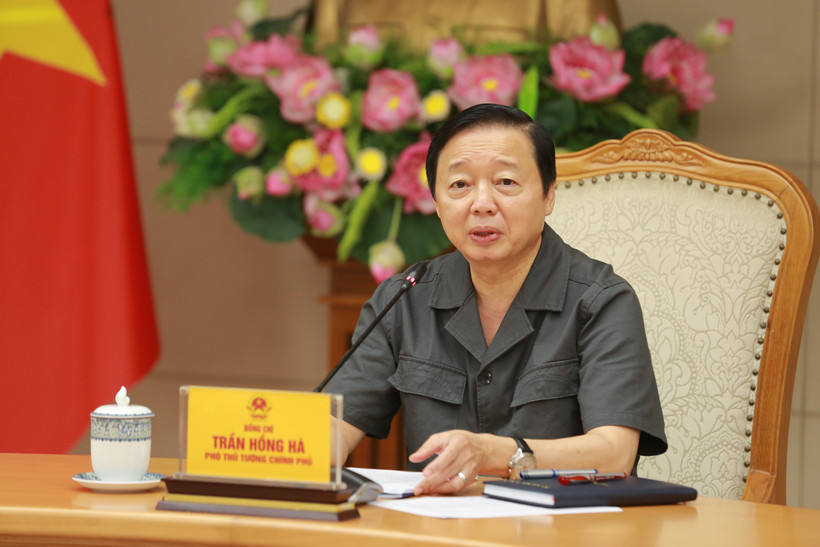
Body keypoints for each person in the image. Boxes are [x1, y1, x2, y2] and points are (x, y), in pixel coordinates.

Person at [325, 104, 667, 495]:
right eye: (459, 186)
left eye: (505, 182)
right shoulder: (404, 298)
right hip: (438, 531)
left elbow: (614, 454)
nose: (481, 203)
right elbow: (336, 426)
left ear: (549, 195)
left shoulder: (601, 302)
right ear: (436, 204)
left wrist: (495, 453)